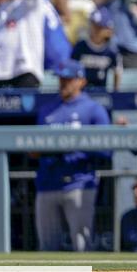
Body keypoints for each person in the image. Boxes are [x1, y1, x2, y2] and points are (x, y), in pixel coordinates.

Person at [34, 60, 110, 251]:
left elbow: (107, 149)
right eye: (61, 79)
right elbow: (33, 147)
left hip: (79, 182)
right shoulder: (47, 110)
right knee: (47, 247)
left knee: (82, 245)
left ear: (81, 81)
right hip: (48, 182)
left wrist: (72, 146)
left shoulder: (93, 109)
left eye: (68, 79)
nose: (63, 83)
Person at [71, 7, 122, 90]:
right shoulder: (80, 47)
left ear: (107, 30)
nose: (94, 30)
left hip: (101, 94)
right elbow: (72, 70)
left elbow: (118, 71)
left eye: (99, 27)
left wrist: (115, 92)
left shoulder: (111, 51)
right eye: (93, 25)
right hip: (81, 93)